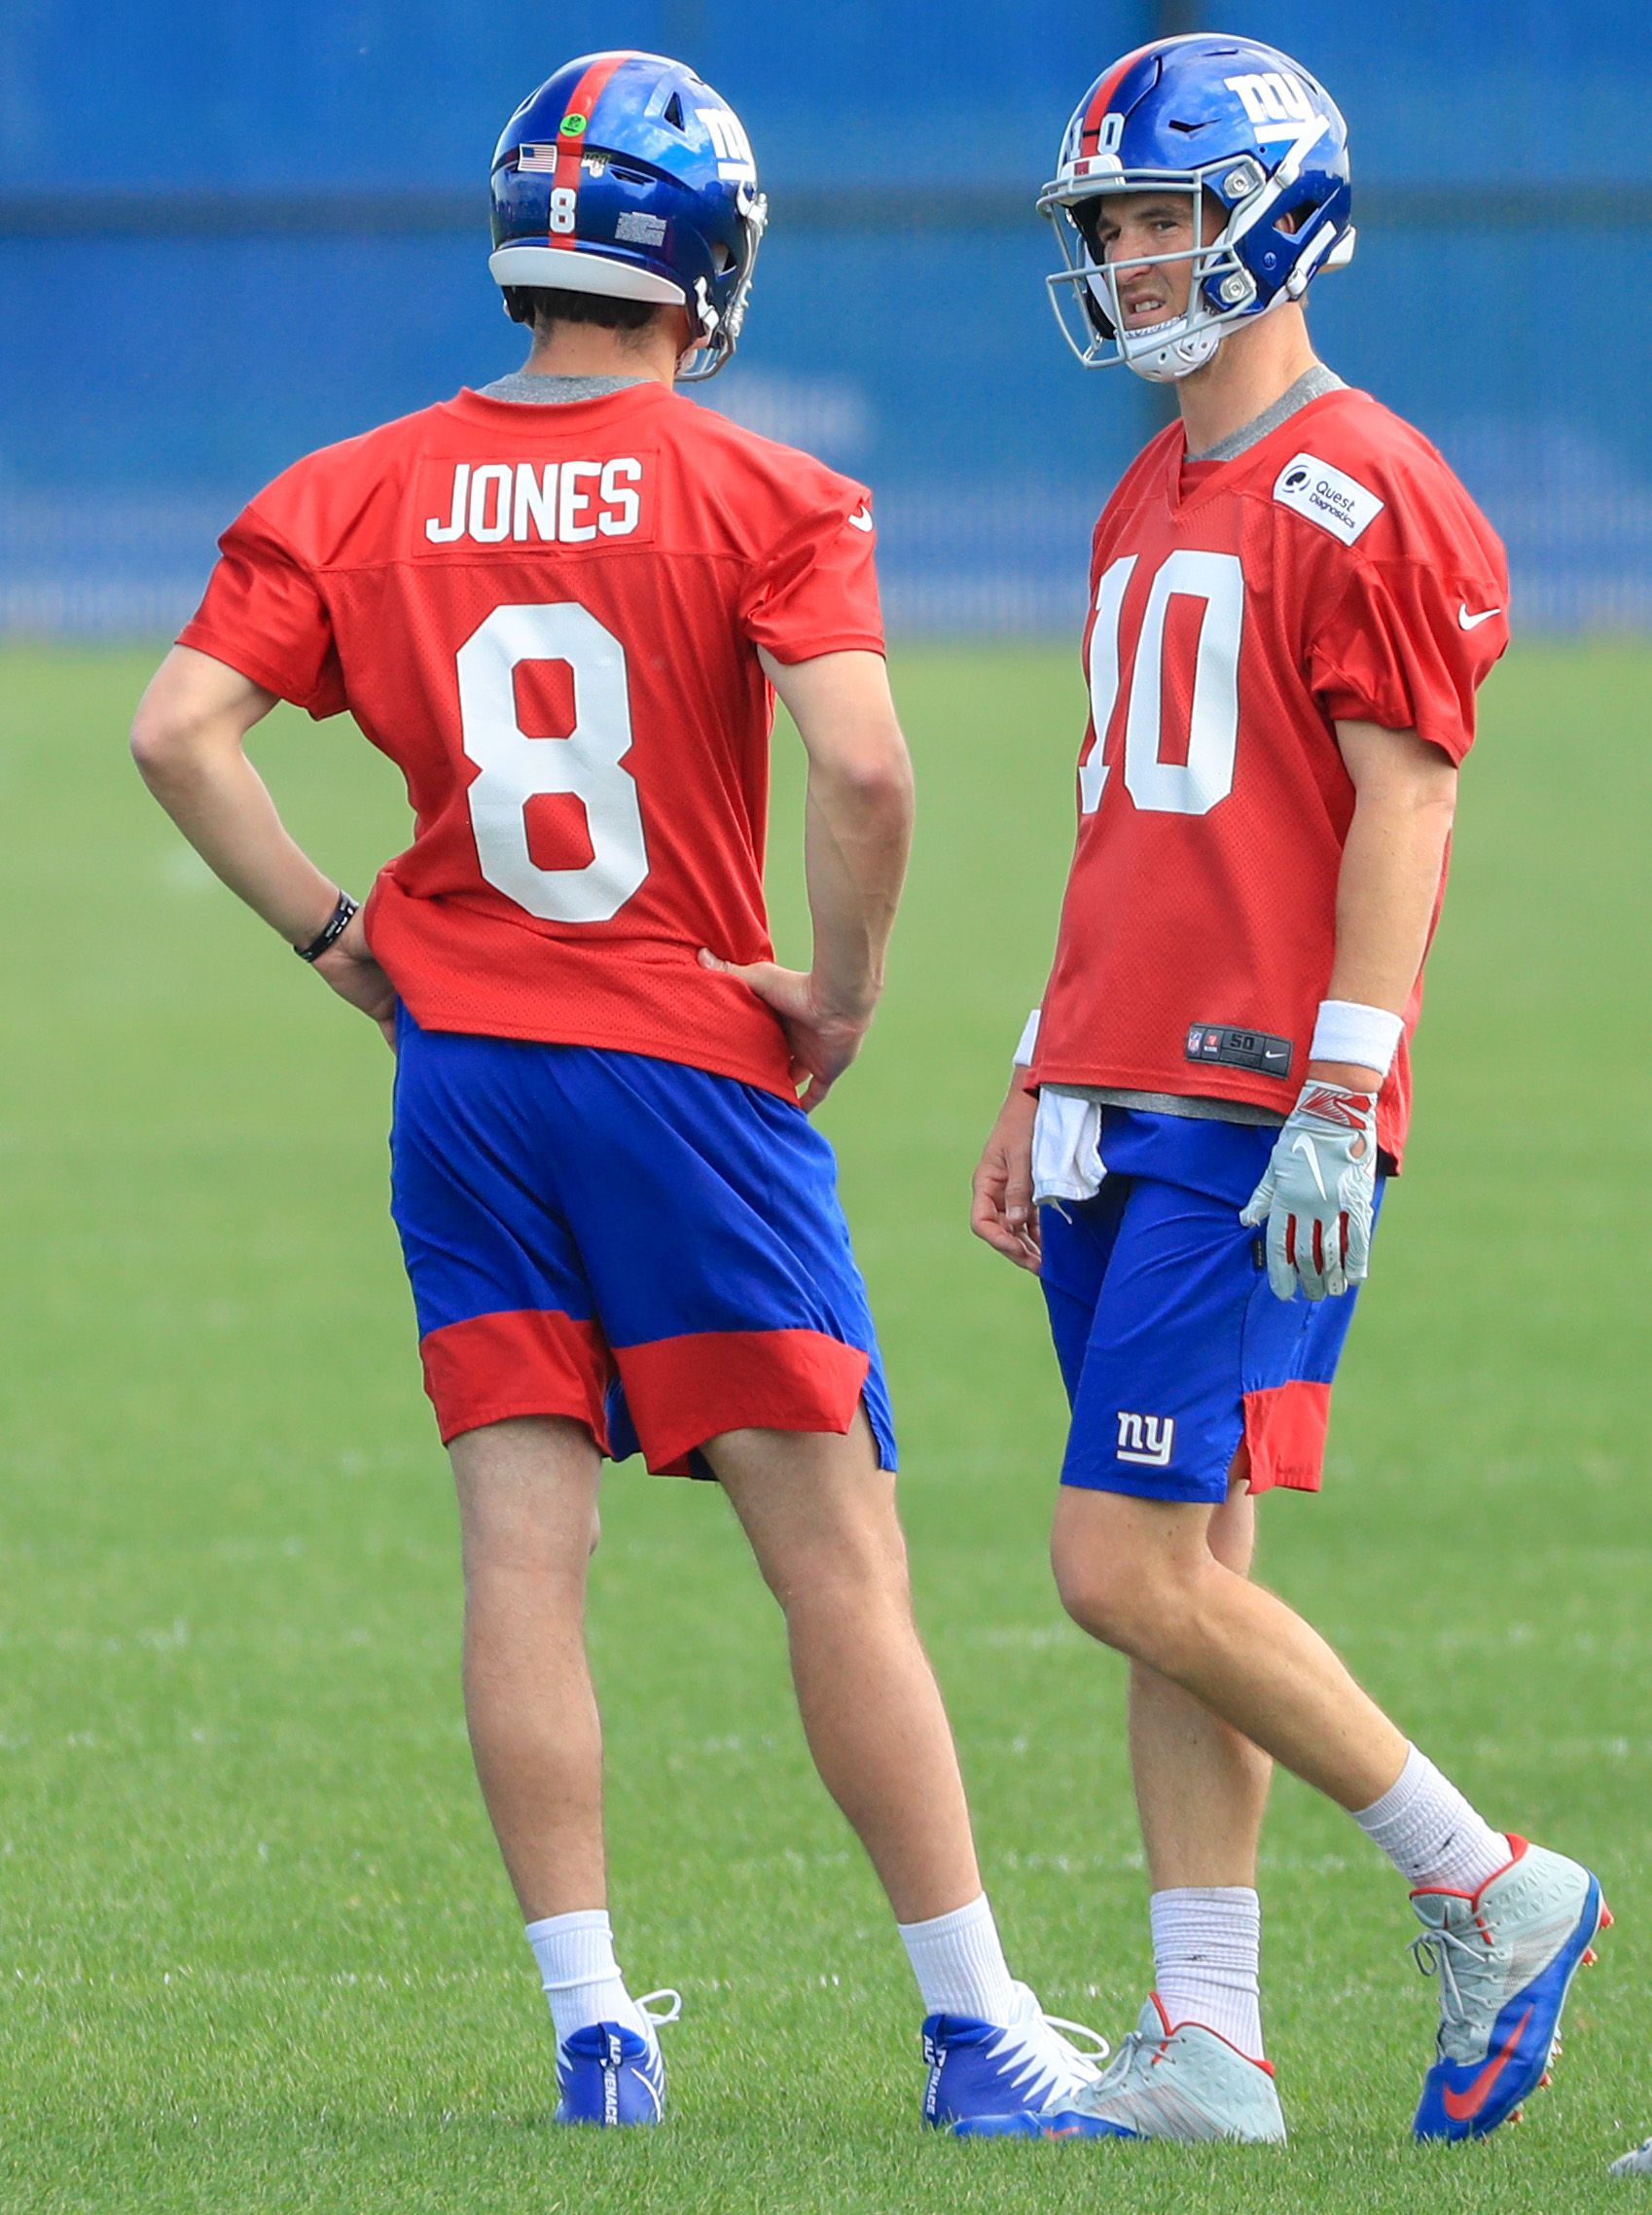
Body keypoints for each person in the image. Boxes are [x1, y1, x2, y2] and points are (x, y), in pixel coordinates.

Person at [129, 50, 1105, 2131]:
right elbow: (863, 764)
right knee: (836, 1555)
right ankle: (977, 2031)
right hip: (683, 1070)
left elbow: (178, 731)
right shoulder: (766, 489)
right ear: (705, 265)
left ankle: (595, 2032)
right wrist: (837, 994)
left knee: (519, 1558)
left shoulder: (354, 486)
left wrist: (338, 938)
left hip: (465, 1081)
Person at [963, 32, 1607, 2146]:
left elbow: (1402, 804)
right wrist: (1036, 1059)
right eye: (1117, 225)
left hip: (1254, 1102)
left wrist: (1344, 1084)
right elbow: (1122, 815)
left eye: (1162, 216)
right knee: (1192, 1552)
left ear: (1274, 216)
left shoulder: (1367, 481)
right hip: (1125, 1081)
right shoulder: (1150, 484)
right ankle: (1212, 2042)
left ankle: (1490, 1880)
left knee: (1115, 1560)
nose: (1135, 257)